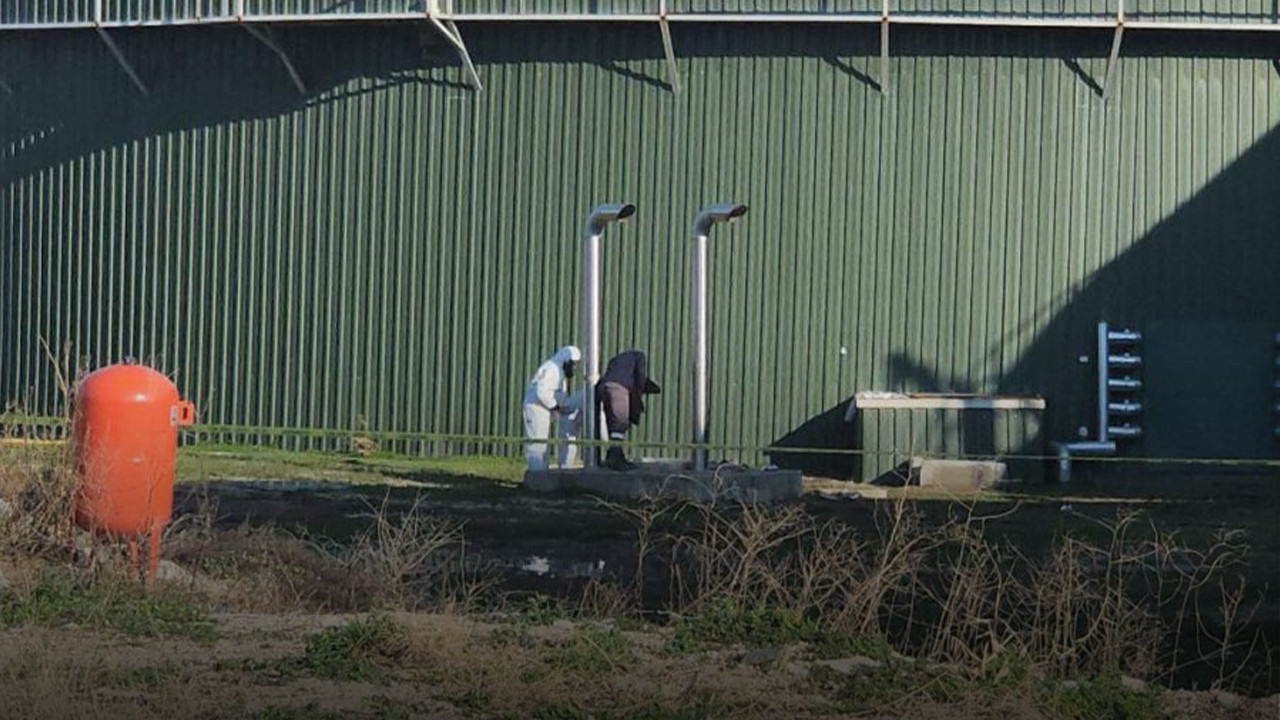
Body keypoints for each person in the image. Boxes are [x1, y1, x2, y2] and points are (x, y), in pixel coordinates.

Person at [596, 349, 661, 471]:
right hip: (618, 388)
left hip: (603, 388)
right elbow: (640, 378)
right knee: (620, 424)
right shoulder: (640, 356)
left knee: (612, 423)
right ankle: (616, 459)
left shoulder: (617, 362)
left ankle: (614, 455)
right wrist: (638, 399)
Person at [523, 345, 581, 472]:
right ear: (566, 361)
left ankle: (542, 473)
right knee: (538, 444)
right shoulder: (552, 369)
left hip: (543, 409)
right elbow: (542, 393)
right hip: (537, 408)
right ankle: (537, 477)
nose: (574, 368)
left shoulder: (559, 372)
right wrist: (555, 406)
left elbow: (557, 394)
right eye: (573, 364)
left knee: (542, 444)